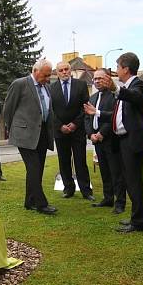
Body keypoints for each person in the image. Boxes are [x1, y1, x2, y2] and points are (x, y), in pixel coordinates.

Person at [3, 58, 56, 215]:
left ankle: (29, 201)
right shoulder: (20, 84)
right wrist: (12, 128)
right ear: (35, 71)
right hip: (25, 134)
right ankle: (41, 204)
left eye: (49, 76)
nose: (47, 79)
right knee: (33, 168)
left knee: (37, 170)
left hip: (42, 134)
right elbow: (8, 109)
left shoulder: (46, 87)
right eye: (45, 76)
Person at [113, 52, 143, 233]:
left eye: (117, 67)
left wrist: (117, 90)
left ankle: (138, 222)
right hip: (124, 140)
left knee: (134, 181)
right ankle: (138, 217)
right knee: (129, 180)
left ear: (125, 69)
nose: (116, 70)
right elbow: (122, 116)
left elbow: (135, 96)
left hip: (134, 141)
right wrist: (96, 114)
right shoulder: (126, 87)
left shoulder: (138, 85)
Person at [50, 61, 94, 201]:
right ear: (57, 73)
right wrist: (60, 126)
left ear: (70, 71)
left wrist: (75, 124)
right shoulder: (51, 88)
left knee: (80, 160)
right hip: (60, 131)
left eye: (66, 69)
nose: (64, 72)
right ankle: (68, 188)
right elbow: (50, 110)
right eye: (61, 70)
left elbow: (85, 107)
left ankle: (86, 190)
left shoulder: (80, 85)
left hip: (77, 130)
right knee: (64, 161)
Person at [83, 68, 126, 212]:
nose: (97, 81)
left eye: (100, 78)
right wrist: (91, 135)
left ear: (107, 79)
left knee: (116, 173)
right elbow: (87, 118)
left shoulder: (114, 96)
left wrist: (101, 133)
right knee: (105, 172)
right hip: (97, 142)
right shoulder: (93, 98)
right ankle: (108, 199)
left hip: (111, 140)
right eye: (95, 79)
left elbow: (114, 117)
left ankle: (120, 203)